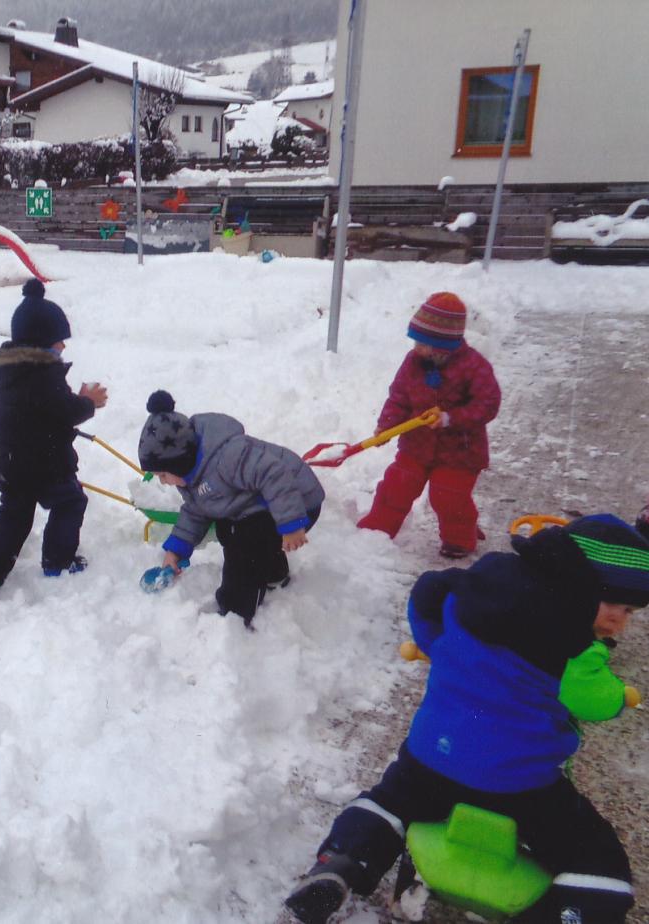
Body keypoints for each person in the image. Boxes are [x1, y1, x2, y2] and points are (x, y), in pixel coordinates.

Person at [284, 514, 649, 924]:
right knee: (596, 854)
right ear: (586, 586)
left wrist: (438, 644)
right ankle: (570, 912)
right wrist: (619, 697)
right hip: (518, 782)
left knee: (389, 801)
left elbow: (427, 596)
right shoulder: (576, 643)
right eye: (621, 608)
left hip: (432, 757)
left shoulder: (479, 586)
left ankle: (342, 861)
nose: (622, 622)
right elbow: (592, 702)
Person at [138, 391, 325, 628]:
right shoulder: (191, 477)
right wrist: (175, 551)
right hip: (260, 505)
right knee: (228, 530)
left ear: (179, 460)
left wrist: (291, 524)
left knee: (245, 549)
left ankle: (235, 614)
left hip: (297, 501)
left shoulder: (229, 456)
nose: (162, 481)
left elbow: (275, 475)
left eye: (163, 474)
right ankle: (274, 574)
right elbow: (196, 512)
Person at [0, 280, 107, 600]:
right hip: (46, 464)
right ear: (43, 343)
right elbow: (65, 411)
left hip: (12, 464)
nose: (63, 346)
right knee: (71, 502)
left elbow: (39, 411)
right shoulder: (43, 374)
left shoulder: (14, 372)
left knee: (14, 515)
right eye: (60, 340)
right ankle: (57, 562)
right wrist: (89, 401)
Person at [356, 292, 501, 559]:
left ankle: (459, 539)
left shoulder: (474, 367)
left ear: (443, 345)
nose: (415, 348)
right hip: (416, 445)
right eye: (415, 340)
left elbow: (488, 404)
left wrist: (450, 418)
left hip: (461, 452)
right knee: (396, 486)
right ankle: (377, 530)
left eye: (423, 343)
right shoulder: (413, 363)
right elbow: (399, 396)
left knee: (449, 496)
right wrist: (386, 426)